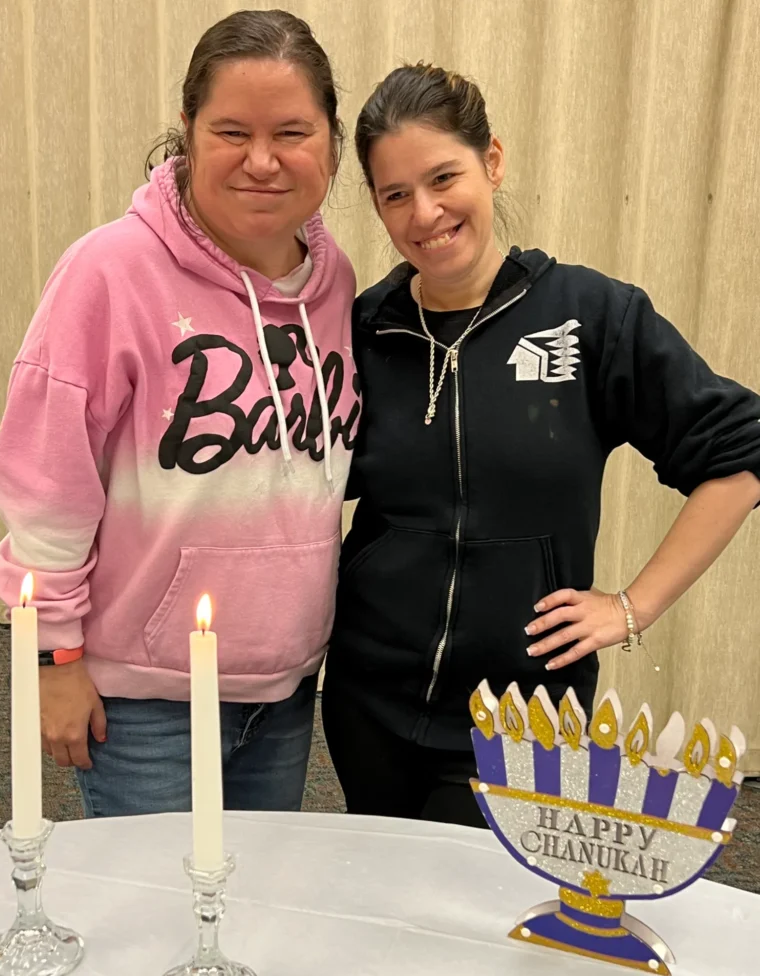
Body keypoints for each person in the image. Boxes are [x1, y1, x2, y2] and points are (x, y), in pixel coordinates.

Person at [322, 63, 760, 828]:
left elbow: (740, 450)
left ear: (492, 162)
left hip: (522, 717)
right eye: (396, 195)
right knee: (385, 914)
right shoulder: (365, 329)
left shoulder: (590, 316)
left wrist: (632, 607)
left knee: (479, 927)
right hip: (369, 702)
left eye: (442, 178)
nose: (424, 213)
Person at [0, 10, 360, 818]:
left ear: (331, 142)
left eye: (292, 132)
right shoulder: (110, 272)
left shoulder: (335, 287)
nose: (262, 160)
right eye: (231, 130)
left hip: (286, 687)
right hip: (141, 698)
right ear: (188, 132)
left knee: (254, 908)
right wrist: (53, 657)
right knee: (159, 921)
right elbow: (46, 488)